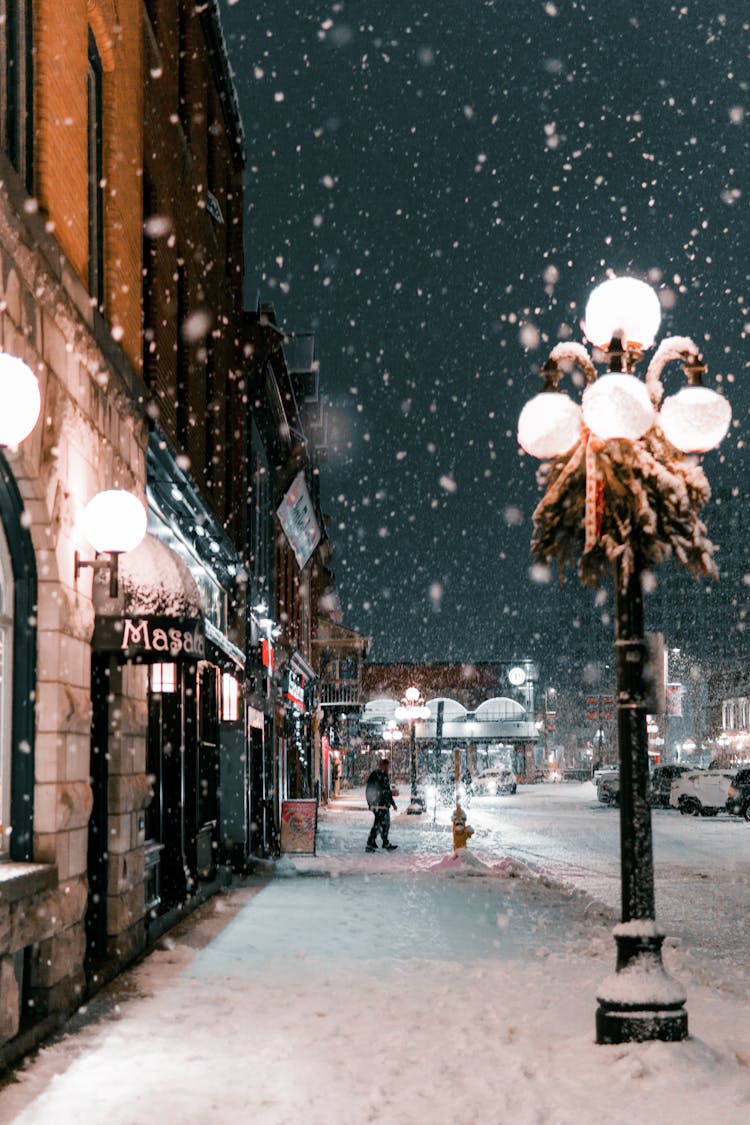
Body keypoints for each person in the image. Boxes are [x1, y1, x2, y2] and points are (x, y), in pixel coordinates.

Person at [365, 759, 398, 852]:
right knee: (379, 824)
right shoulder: (375, 775)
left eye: (387, 766)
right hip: (377, 805)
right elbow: (369, 789)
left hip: (384, 805)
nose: (386, 768)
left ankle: (379, 842)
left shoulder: (384, 776)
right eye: (385, 766)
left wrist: (393, 804)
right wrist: (370, 803)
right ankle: (371, 843)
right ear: (381, 765)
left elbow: (387, 791)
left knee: (384, 824)